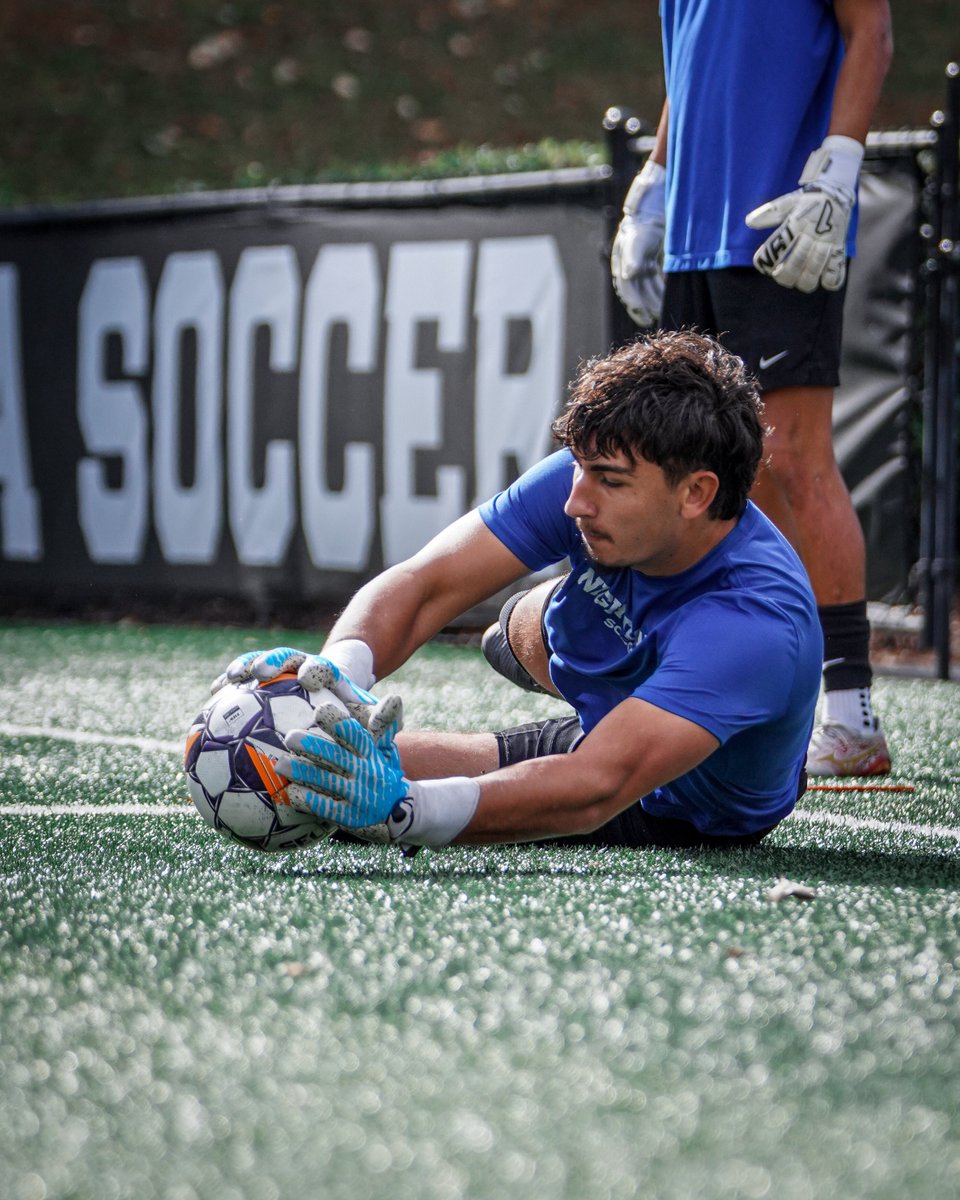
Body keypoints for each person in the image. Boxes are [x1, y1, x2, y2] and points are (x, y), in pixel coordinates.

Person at [216, 332, 823, 854]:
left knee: (316, 792)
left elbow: (595, 785)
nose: (574, 500)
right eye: (579, 467)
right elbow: (428, 582)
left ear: (696, 494)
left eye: (608, 482)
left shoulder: (756, 625)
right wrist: (337, 673)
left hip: (677, 800)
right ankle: (563, 651)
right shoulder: (589, 475)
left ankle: (629, 686)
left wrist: (406, 810)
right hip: (619, 696)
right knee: (287, 753)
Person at [609, 0, 894, 776]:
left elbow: (871, 27)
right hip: (698, 238)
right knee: (720, 469)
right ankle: (763, 694)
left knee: (795, 456)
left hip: (783, 220)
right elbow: (689, 64)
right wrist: (656, 177)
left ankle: (851, 711)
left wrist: (837, 169)